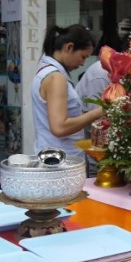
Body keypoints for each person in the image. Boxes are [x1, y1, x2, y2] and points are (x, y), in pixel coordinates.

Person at [31, 24, 104, 160]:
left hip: (55, 157)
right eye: (83, 57)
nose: (83, 64)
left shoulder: (45, 70)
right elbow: (60, 128)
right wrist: (98, 112)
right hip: (60, 163)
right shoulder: (56, 78)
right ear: (69, 47)